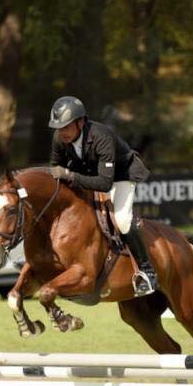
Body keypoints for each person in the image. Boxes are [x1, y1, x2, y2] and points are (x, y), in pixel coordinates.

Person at [46, 95, 156, 296]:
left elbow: (105, 184)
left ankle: (147, 271)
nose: (62, 132)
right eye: (58, 128)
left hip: (120, 175)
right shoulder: (60, 139)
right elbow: (55, 168)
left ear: (81, 122)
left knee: (122, 220)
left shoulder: (101, 136)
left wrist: (70, 174)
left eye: (66, 127)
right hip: (89, 173)